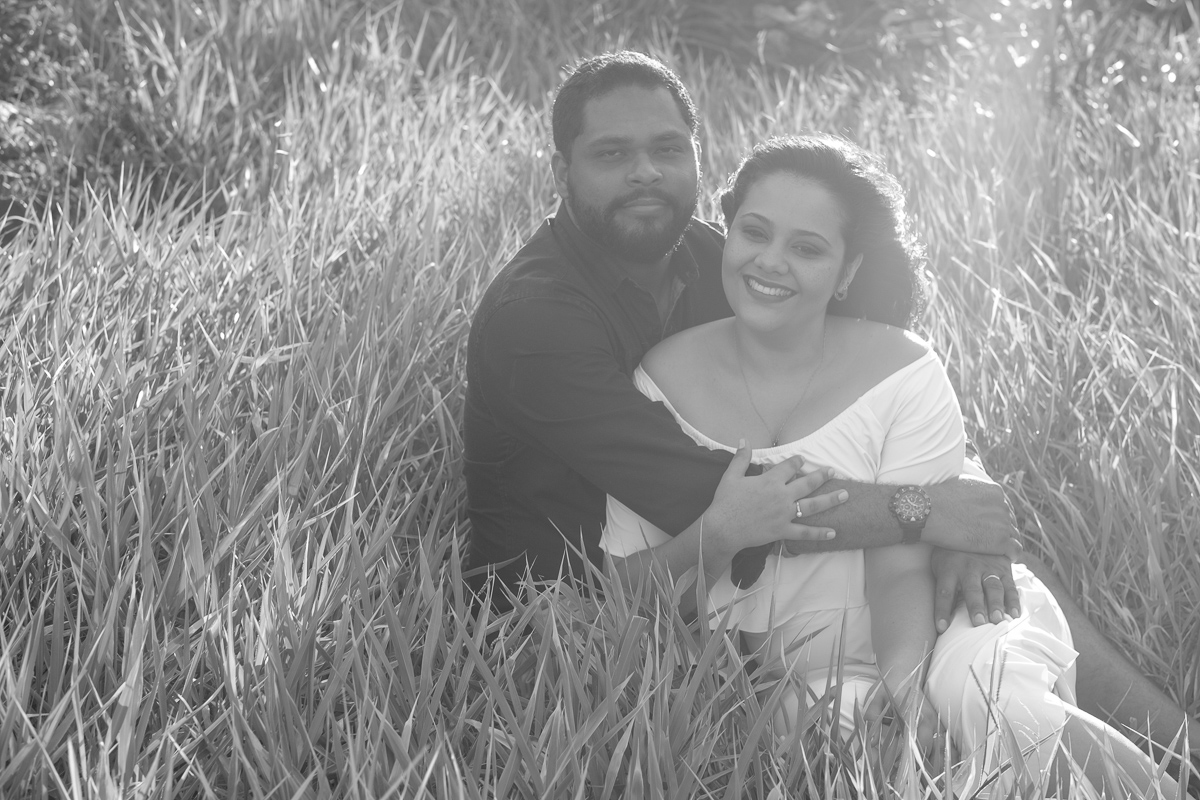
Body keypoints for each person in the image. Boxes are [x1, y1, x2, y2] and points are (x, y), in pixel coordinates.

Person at [461, 49, 1198, 777]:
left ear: (697, 155)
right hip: (577, 607)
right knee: (878, 729)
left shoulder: (722, 259)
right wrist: (926, 505)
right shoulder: (537, 321)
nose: (645, 171)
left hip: (765, 572)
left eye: (666, 148)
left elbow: (877, 376)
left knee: (993, 623)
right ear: (561, 173)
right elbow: (719, 491)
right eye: (612, 153)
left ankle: (1180, 749)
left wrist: (956, 490)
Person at [600, 133, 1178, 796]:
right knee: (869, 755)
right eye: (753, 233)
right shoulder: (660, 380)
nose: (771, 262)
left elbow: (901, 561)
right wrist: (724, 531)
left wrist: (911, 684)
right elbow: (626, 590)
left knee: (992, 700)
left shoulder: (902, 369)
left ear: (847, 271)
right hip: (800, 675)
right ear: (725, 236)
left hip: (945, 618)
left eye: (808, 247)